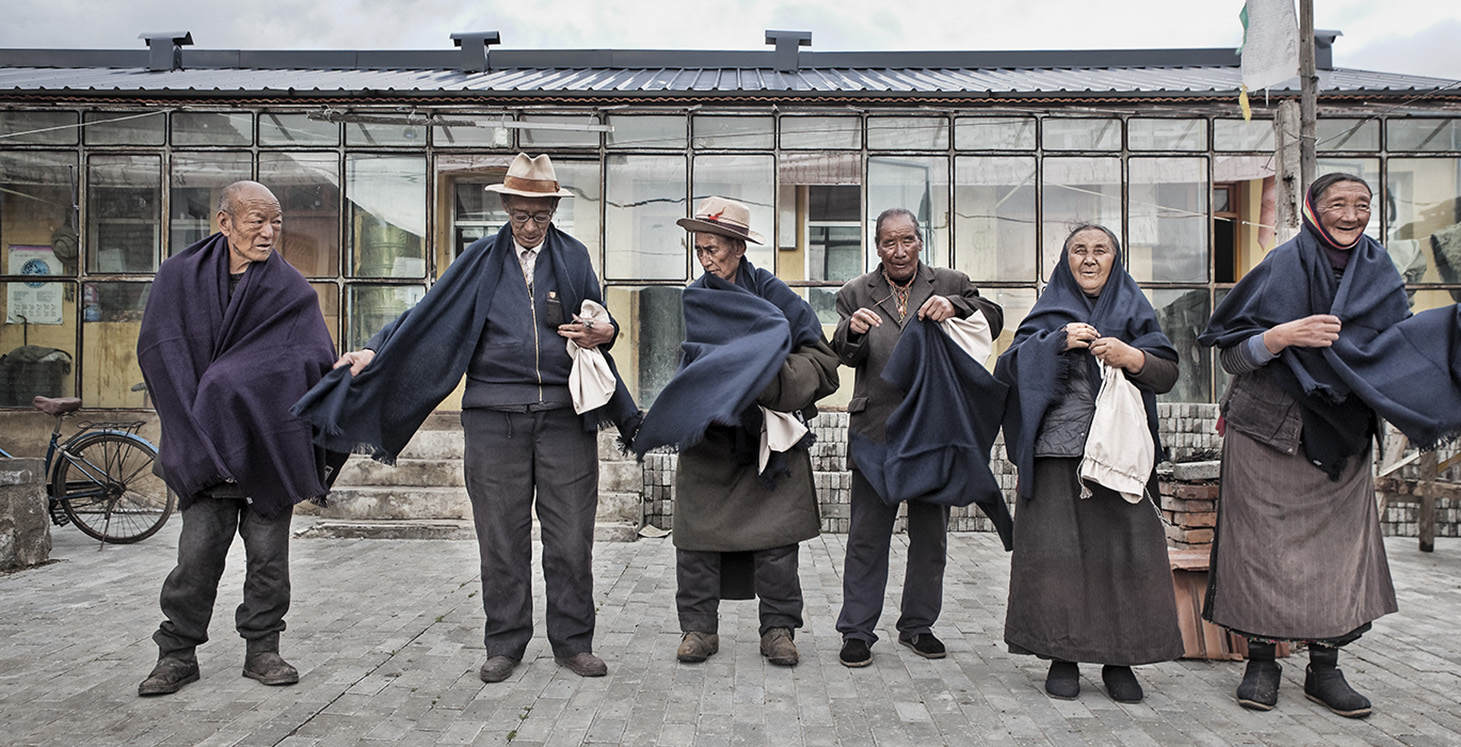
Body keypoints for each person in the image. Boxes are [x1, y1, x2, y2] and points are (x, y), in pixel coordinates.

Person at [292, 153, 640, 683]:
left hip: (565, 417)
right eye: (521, 215)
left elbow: (600, 317)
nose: (530, 226)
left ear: (552, 209)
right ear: (505, 206)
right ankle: (505, 643)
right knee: (501, 537)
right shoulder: (479, 259)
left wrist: (605, 332)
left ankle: (572, 642)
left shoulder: (573, 256)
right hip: (492, 417)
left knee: (571, 538)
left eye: (540, 215)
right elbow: (425, 314)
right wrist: (373, 350)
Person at [1198, 173, 1461, 718]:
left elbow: (1393, 355)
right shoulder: (1282, 266)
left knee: (1337, 558)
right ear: (1312, 209)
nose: (1351, 215)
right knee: (1259, 550)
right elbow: (1230, 354)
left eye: (1362, 205)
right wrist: (1282, 336)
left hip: (1345, 433)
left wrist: (1457, 356)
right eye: (1337, 205)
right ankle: (1262, 662)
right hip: (1266, 431)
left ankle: (1325, 670)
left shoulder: (1381, 274)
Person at [136, 181, 343, 696]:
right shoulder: (179, 276)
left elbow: (309, 357)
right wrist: (206, 408)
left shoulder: (289, 288)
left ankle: (263, 650)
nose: (269, 232)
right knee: (196, 557)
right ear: (224, 222)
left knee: (269, 561)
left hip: (266, 447)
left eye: (276, 221)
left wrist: (242, 382)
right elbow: (161, 352)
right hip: (203, 445)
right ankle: (177, 654)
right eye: (257, 221)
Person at [629, 196, 840, 667]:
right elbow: (688, 361)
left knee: (777, 543)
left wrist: (772, 380)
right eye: (700, 250)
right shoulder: (695, 296)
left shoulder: (777, 297)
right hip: (710, 436)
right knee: (696, 541)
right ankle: (699, 630)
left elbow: (825, 365)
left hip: (767, 438)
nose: (706, 259)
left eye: (715, 250)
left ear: (739, 248)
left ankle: (779, 630)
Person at [995, 224, 1185, 703]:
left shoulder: (1134, 308)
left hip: (1120, 458)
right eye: (1079, 250)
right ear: (1066, 260)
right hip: (1057, 455)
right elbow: (1009, 368)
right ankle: (1062, 656)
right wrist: (1055, 342)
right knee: (1057, 558)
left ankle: (1120, 659)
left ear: (1115, 259)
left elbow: (1167, 372)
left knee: (1124, 556)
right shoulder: (1049, 311)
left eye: (1101, 250)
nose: (1089, 258)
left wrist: (1132, 356)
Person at [830, 208, 1004, 667]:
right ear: (877, 246)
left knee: (931, 535)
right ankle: (857, 631)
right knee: (867, 536)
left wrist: (958, 306)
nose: (900, 250)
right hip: (876, 430)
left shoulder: (950, 282)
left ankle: (918, 626)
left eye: (907, 240)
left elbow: (994, 317)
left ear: (920, 240)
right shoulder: (854, 293)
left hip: (933, 429)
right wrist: (851, 332)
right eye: (889, 242)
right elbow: (841, 354)